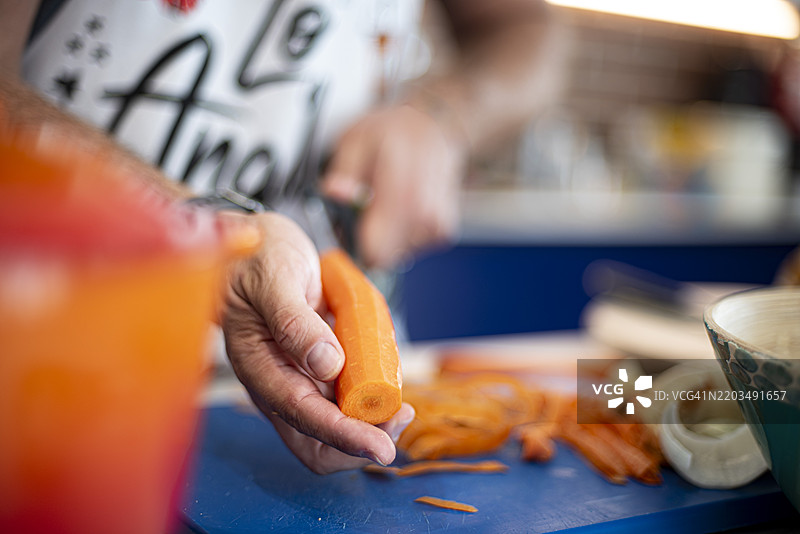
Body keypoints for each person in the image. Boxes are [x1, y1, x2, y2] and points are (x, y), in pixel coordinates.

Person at [0, 0, 564, 474]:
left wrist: (443, 117)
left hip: (322, 341)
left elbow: (527, 27)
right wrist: (208, 232)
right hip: (56, 352)